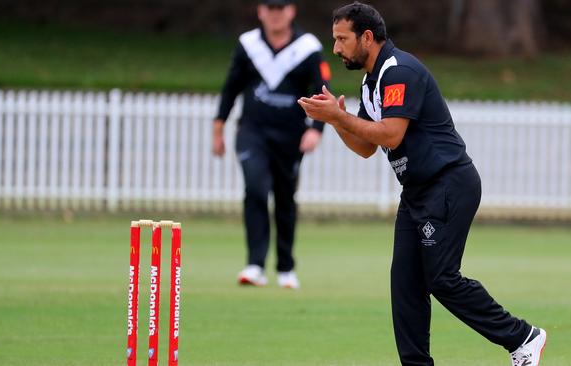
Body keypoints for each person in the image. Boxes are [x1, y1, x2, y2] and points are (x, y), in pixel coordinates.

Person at [298, 2, 547, 365]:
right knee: (406, 286)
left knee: (442, 278)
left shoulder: (399, 72)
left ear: (367, 37)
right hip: (417, 192)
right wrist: (337, 121)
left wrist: (340, 116)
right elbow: (368, 147)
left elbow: (392, 134)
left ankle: (523, 337)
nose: (336, 48)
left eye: (342, 39)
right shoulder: (372, 81)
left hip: (447, 184)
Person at [213, 0, 331, 289]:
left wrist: (316, 129)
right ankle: (254, 265)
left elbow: (322, 90)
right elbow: (231, 88)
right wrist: (218, 129)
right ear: (260, 11)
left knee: (284, 197)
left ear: (291, 11)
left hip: (291, 135)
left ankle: (286, 268)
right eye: (270, 8)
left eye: (281, 8)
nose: (275, 14)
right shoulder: (248, 45)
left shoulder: (307, 47)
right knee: (255, 188)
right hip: (252, 131)